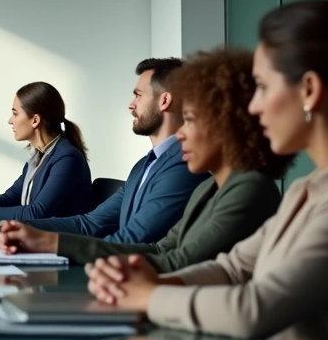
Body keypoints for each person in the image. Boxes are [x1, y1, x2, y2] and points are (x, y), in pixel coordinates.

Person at [86, 0, 328, 340]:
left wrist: (148, 296)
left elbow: (254, 308)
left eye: (262, 87)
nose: (253, 106)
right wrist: (153, 285)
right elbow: (233, 268)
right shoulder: (310, 188)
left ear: (310, 90)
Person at [0, 48, 290, 269]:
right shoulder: (201, 186)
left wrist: (52, 243)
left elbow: (172, 262)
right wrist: (38, 236)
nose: (182, 134)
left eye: (191, 120)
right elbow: (164, 252)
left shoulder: (240, 187)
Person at [20, 58, 207, 243]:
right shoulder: (143, 166)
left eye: (138, 95)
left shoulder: (185, 164)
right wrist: (22, 226)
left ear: (164, 100)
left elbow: (134, 239)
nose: (131, 104)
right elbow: (90, 223)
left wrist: (50, 244)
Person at [0, 82, 92, 221]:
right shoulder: (39, 155)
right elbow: (13, 198)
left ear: (35, 120)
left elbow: (37, 213)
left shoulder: (67, 158)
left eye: (15, 114)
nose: (10, 121)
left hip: (60, 242)